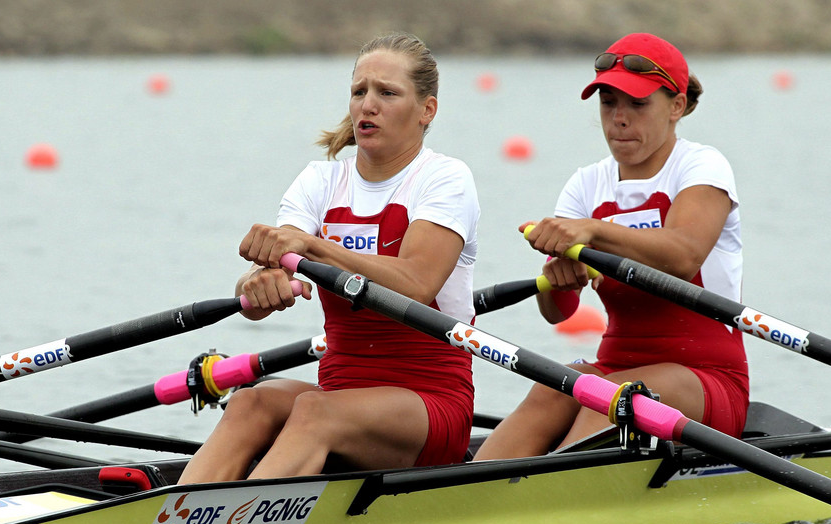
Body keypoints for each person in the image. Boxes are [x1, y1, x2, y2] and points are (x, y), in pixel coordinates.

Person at [178, 33, 480, 484]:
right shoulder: (319, 181)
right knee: (249, 401)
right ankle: (171, 523)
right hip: (338, 393)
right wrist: (258, 285)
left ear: (426, 111)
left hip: (428, 401)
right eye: (359, 91)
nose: (367, 105)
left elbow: (419, 283)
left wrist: (315, 247)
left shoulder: (444, 179)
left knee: (315, 411)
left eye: (387, 93)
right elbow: (280, 273)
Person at [474, 32, 748, 460]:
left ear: (676, 106)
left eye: (637, 104)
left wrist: (595, 232)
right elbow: (557, 312)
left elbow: (683, 255)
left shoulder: (700, 166)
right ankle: (475, 492)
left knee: (610, 396)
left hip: (706, 380)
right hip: (614, 370)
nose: (619, 118)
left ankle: (538, 495)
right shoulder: (586, 185)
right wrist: (561, 281)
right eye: (608, 103)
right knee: (555, 384)